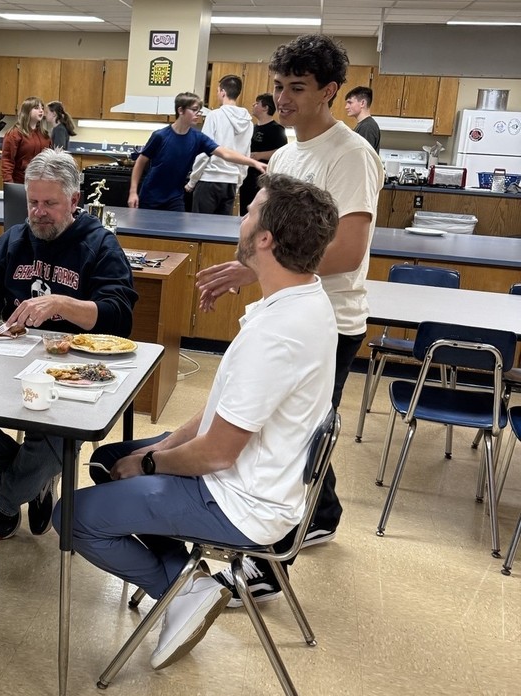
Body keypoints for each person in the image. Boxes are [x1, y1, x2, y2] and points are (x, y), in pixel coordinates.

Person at [54, 173, 339, 670]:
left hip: (238, 501)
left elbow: (216, 453)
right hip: (257, 477)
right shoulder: (306, 301)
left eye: (250, 210)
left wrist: (148, 465)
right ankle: (188, 580)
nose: (242, 216)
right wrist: (144, 456)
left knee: (70, 517)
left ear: (266, 238)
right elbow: (218, 413)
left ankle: (186, 589)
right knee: (108, 460)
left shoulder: (276, 333)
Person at [196, 33, 384, 605]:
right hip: (283, 311)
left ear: (329, 91)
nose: (282, 98)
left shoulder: (351, 156)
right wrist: (247, 267)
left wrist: (251, 271)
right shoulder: (283, 154)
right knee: (288, 430)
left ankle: (271, 563)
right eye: (278, 87)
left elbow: (348, 252)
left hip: (330, 321)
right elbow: (272, 236)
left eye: (297, 88)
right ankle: (321, 512)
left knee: (283, 438)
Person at [0, 149, 137, 540]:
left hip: (71, 372)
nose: (38, 212)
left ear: (74, 201)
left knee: (58, 433)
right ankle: (31, 479)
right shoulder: (13, 241)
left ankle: (7, 499)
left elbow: (119, 316)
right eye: (33, 202)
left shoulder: (100, 244)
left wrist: (61, 303)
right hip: (4, 366)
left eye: (50, 204)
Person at [128, 92, 265, 212]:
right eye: (194, 110)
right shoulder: (160, 136)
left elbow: (225, 153)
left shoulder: (197, 138)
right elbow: (140, 163)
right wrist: (133, 192)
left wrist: (253, 163)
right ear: (180, 110)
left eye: (199, 111)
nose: (198, 114)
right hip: (150, 197)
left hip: (175, 200)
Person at [186, 75, 254, 215]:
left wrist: (192, 181)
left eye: (217, 91)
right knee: (220, 232)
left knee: (199, 230)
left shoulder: (214, 115)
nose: (217, 95)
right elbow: (246, 156)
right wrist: (237, 183)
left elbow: (205, 152)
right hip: (231, 183)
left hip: (209, 180)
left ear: (223, 92)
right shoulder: (249, 122)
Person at [238, 94, 288, 216]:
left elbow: (282, 152)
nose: (253, 105)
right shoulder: (251, 128)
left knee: (260, 214)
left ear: (265, 108)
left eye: (256, 103)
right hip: (247, 178)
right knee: (245, 212)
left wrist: (259, 155)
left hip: (263, 179)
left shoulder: (277, 129)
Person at [1, 96, 51, 184]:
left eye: (42, 108)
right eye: (36, 108)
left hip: (41, 183)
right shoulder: (14, 134)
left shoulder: (44, 135)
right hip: (20, 182)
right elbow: (7, 160)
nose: (41, 111)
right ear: (27, 111)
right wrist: (9, 183)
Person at [345, 85, 381, 152]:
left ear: (362, 103)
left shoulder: (367, 127)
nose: (346, 107)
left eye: (350, 102)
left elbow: (363, 157)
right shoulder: (364, 125)